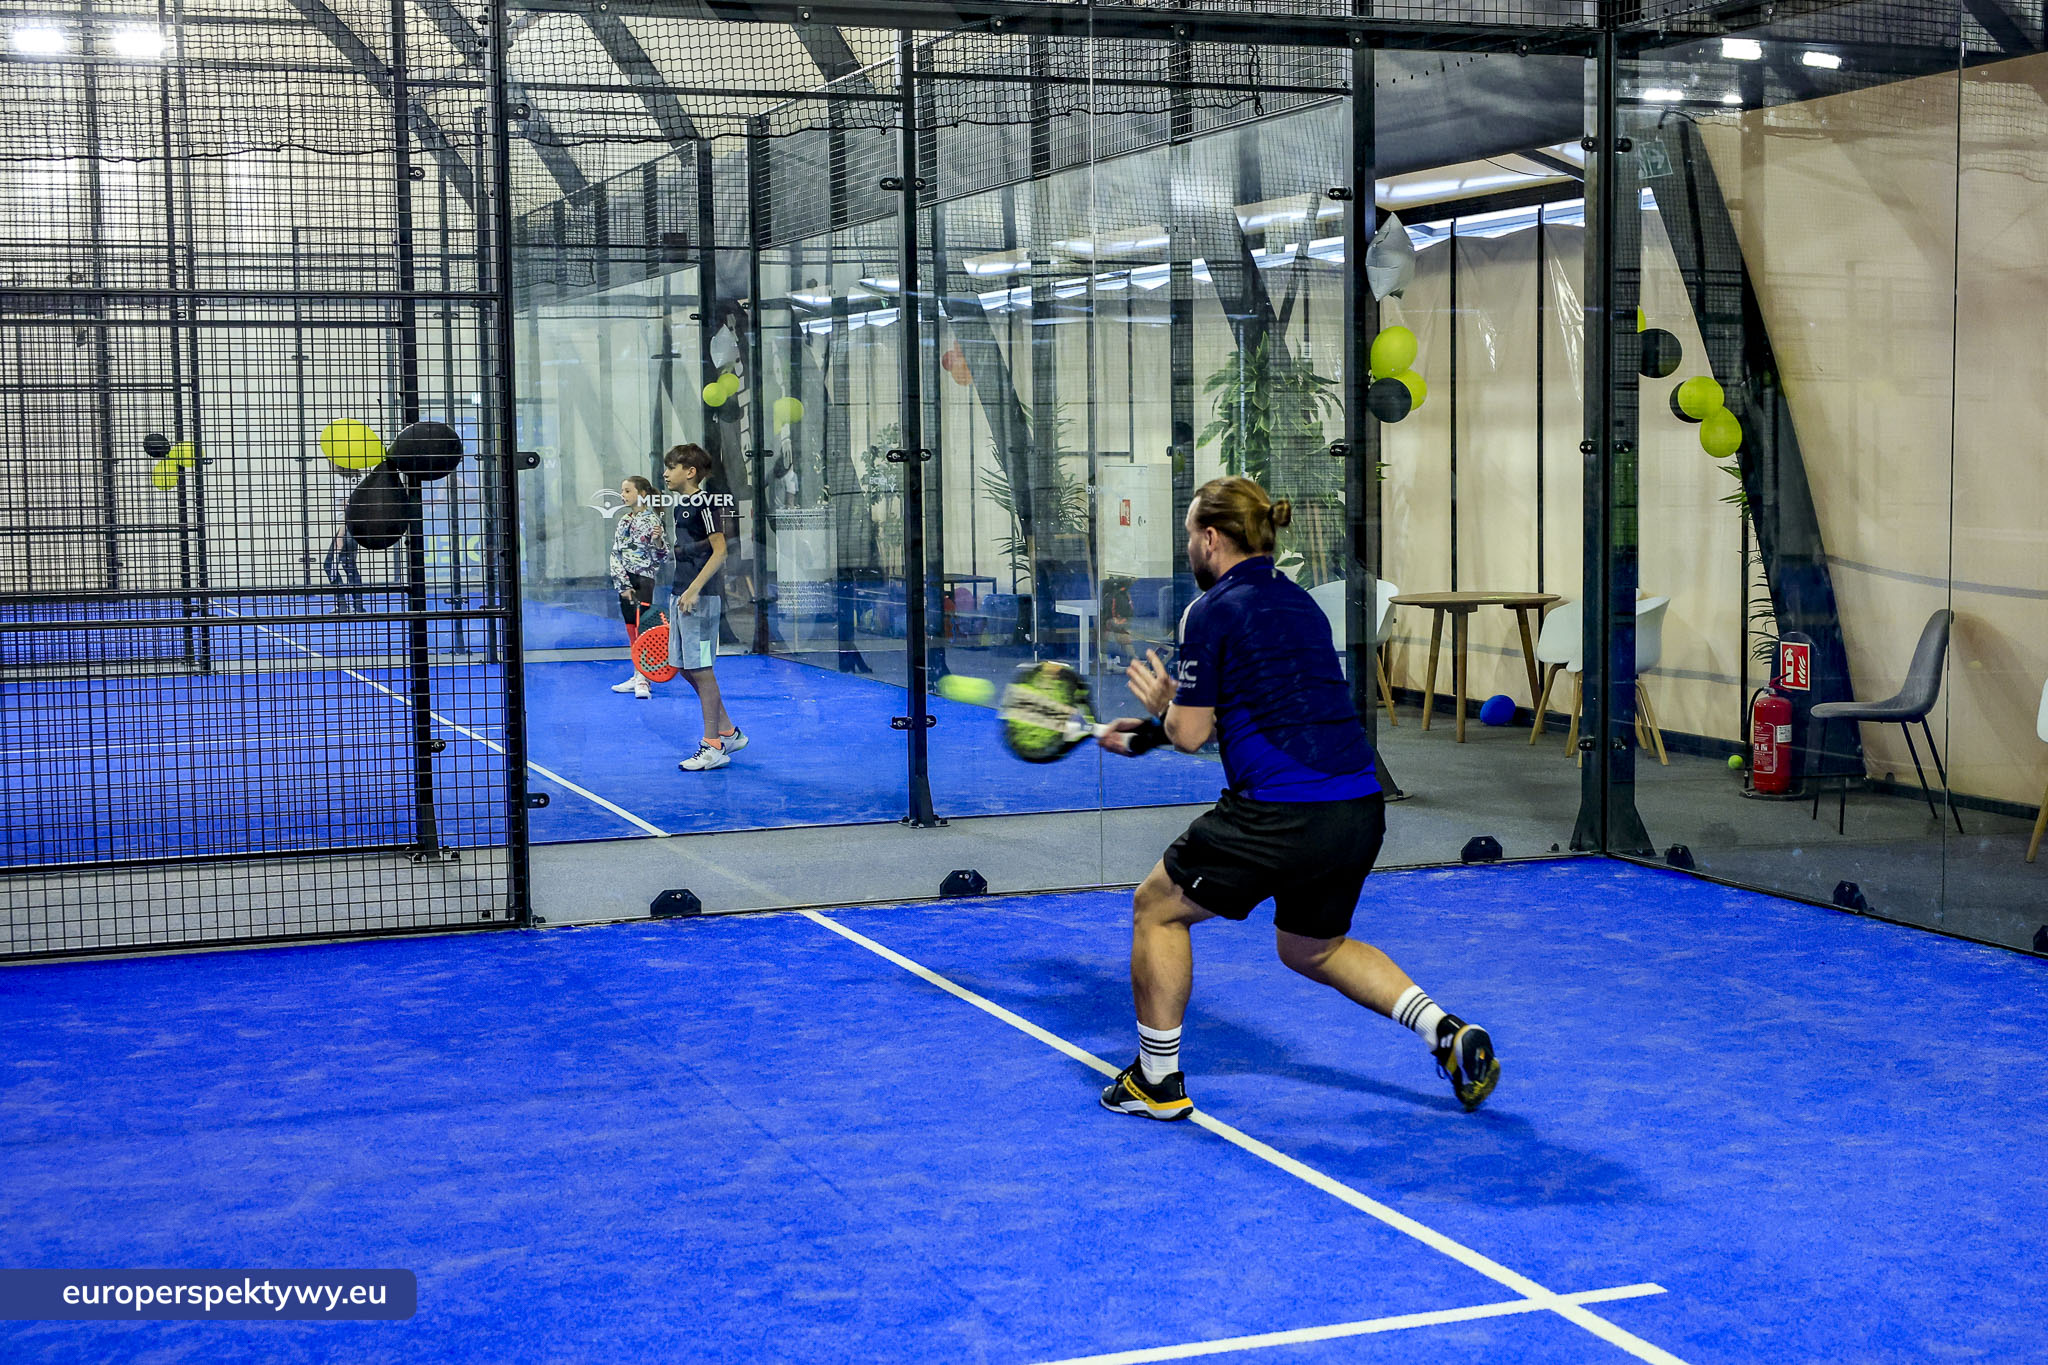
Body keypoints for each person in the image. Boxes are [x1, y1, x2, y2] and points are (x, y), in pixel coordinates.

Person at [1096, 476, 1498, 1120]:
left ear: (1209, 537)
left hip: (1280, 814)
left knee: (1156, 910)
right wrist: (1151, 734)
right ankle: (1444, 1033)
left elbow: (1193, 732)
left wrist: (1165, 712)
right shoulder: (1301, 604)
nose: (1187, 552)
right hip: (1358, 810)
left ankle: (1156, 1081)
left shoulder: (1211, 609)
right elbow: (1259, 714)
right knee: (1312, 946)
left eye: (1188, 538)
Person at [663, 443, 747, 771]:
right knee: (684, 666)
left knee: (701, 668)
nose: (666, 473)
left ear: (690, 471)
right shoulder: (680, 507)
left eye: (672, 467)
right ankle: (728, 731)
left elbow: (720, 551)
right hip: (680, 594)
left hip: (700, 597)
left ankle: (712, 744)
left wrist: (695, 589)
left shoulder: (704, 504)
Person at [608, 474, 671, 700]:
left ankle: (643, 677)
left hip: (643, 579)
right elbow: (615, 553)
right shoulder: (623, 520)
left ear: (641, 494)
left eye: (627, 491)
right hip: (625, 581)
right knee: (630, 628)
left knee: (642, 627)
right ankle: (637, 673)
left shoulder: (653, 521)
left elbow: (662, 556)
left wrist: (658, 541)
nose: (623, 495)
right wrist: (622, 584)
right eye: (622, 491)